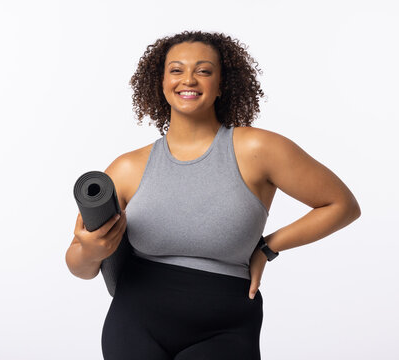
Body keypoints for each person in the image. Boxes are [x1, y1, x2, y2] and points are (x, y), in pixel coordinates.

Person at [65, 30, 361, 360]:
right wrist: (91, 250)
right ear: (161, 83)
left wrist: (267, 247)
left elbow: (342, 205)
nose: (188, 79)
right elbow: (79, 266)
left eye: (203, 70)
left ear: (222, 84)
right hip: (134, 324)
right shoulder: (127, 167)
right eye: (176, 70)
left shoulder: (258, 149)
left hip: (225, 329)